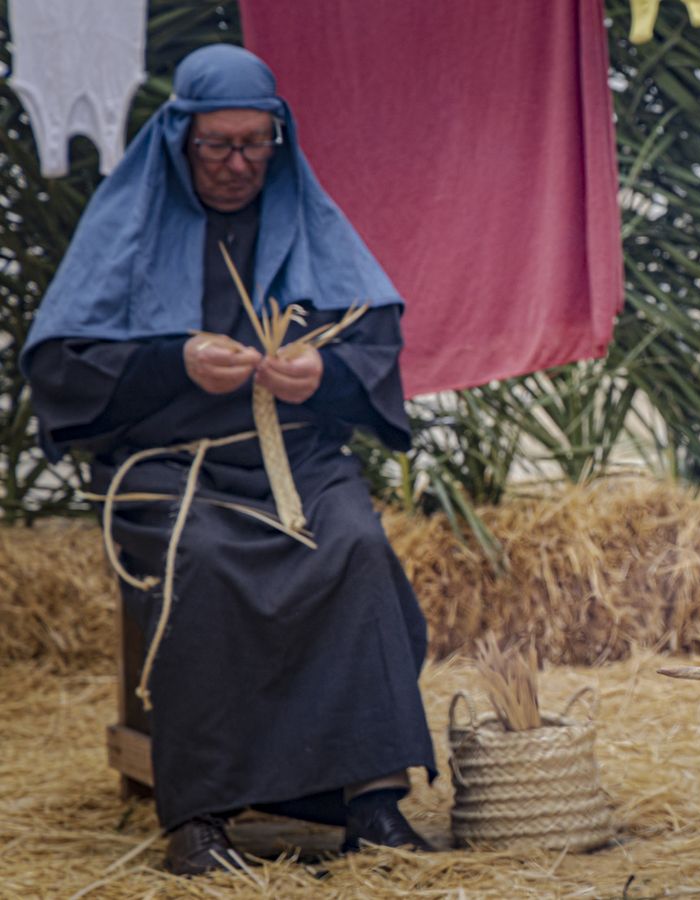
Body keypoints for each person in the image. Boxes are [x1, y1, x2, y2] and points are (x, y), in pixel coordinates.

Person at [21, 45, 436, 875]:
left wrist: (324, 373)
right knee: (203, 562)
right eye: (218, 145)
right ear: (181, 138)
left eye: (256, 143)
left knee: (354, 544)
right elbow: (63, 365)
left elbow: (377, 348)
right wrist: (169, 360)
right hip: (166, 466)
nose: (239, 164)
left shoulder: (305, 214)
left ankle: (372, 801)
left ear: (278, 138)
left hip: (295, 458)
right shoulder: (128, 218)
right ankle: (201, 819)